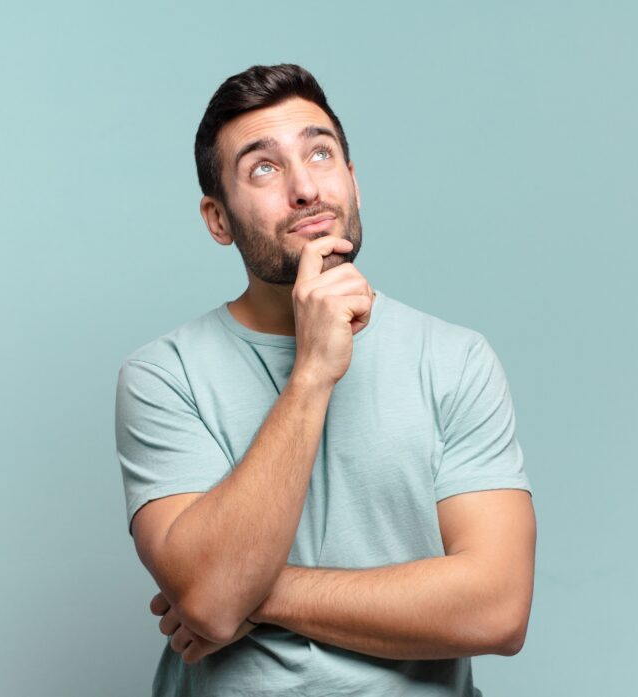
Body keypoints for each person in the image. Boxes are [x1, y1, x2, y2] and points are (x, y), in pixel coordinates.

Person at [115, 63, 536, 697]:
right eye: (264, 167)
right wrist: (312, 371)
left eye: (320, 153)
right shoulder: (162, 376)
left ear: (354, 182)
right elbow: (211, 603)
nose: (306, 187)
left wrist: (255, 593)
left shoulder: (456, 359)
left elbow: (497, 610)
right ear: (218, 219)